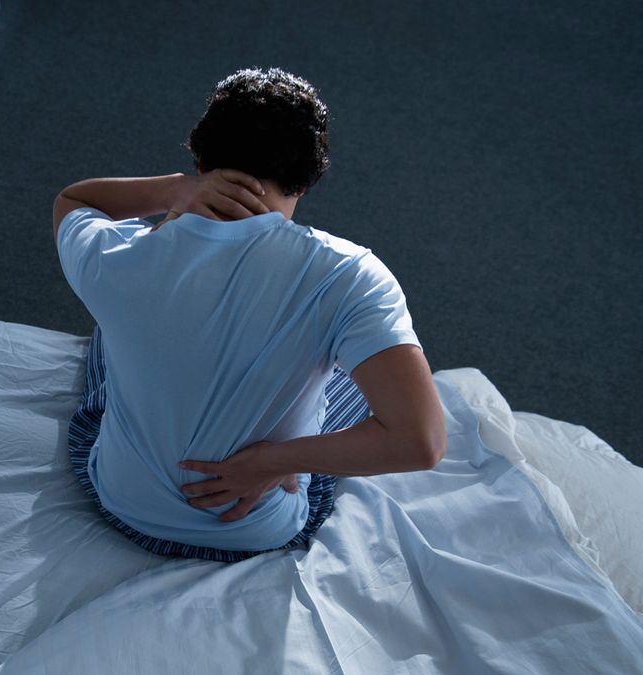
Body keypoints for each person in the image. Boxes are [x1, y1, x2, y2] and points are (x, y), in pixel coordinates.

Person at [53, 67, 446, 561]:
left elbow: (74, 199)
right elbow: (422, 441)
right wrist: (270, 463)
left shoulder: (118, 259)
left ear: (201, 163)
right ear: (307, 179)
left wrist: (175, 192)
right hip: (255, 529)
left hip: (122, 503)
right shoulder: (349, 276)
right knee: (349, 377)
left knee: (109, 335)